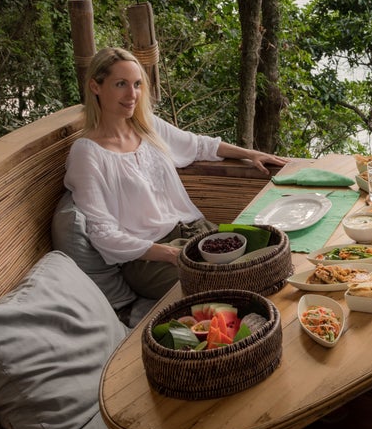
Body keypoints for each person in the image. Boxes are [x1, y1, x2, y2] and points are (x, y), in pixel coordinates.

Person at [64, 47, 287, 299]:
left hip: (196, 231)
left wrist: (250, 153)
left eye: (137, 84)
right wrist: (169, 254)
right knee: (232, 290)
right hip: (149, 257)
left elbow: (199, 145)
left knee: (272, 255)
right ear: (95, 86)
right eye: (120, 84)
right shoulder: (87, 153)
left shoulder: (146, 126)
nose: (132, 94)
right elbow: (103, 234)